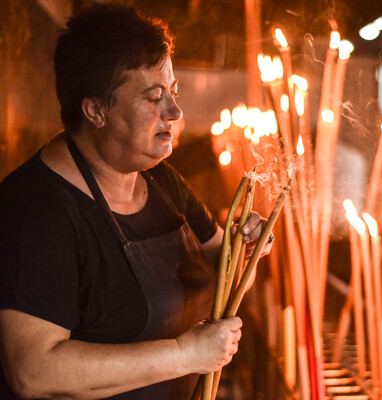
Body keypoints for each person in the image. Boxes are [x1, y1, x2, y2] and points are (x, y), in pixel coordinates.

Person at [0, 4, 273, 399]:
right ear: (95, 109)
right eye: (153, 98)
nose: (175, 112)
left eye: (173, 92)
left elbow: (226, 263)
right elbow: (34, 371)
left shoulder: (160, 180)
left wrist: (249, 244)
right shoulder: (38, 210)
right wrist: (185, 355)